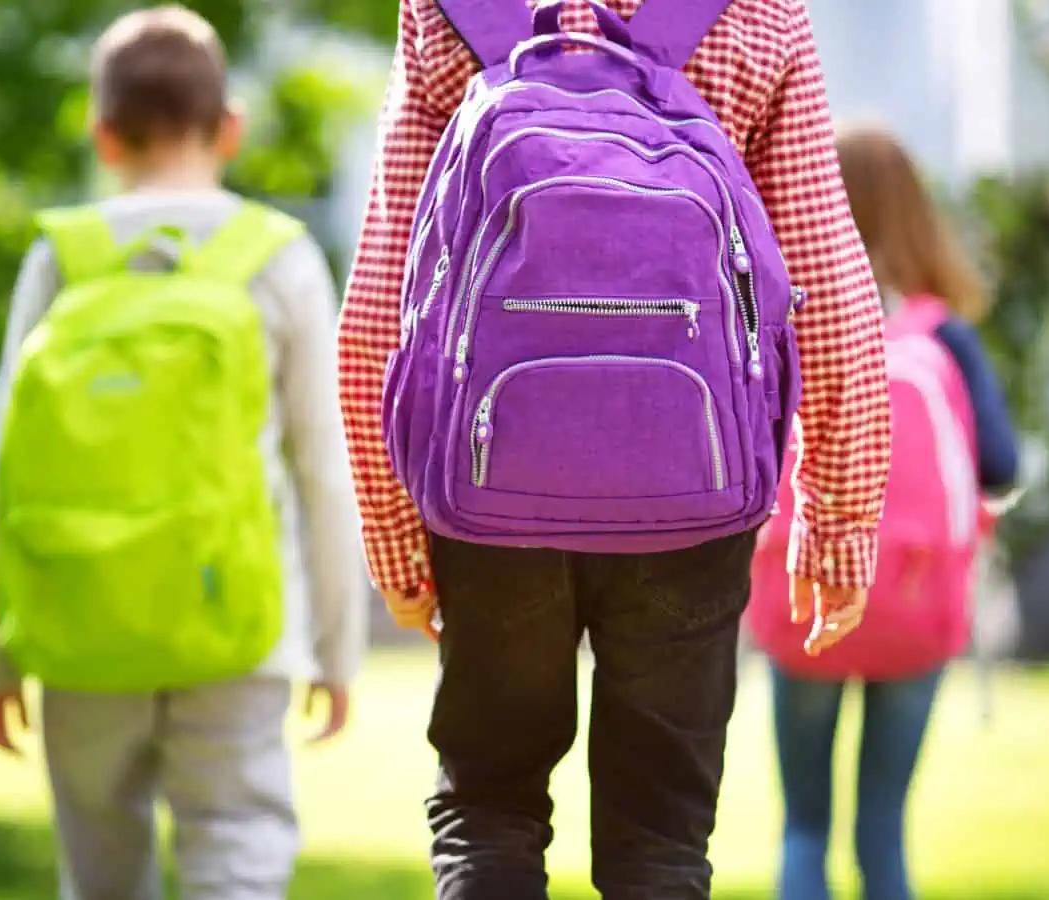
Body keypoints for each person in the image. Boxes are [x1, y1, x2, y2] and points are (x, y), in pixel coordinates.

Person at [337, 1, 892, 897]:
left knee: (489, 810)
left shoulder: (449, 12)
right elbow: (824, 280)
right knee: (663, 841)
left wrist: (397, 534)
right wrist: (841, 520)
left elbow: (381, 297)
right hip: (694, 484)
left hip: (490, 486)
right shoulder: (760, 13)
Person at [0, 7, 366, 899]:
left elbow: (12, 469)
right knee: (238, 856)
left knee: (101, 875)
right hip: (240, 631)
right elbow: (321, 471)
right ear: (230, 129)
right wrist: (336, 649)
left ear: (103, 136)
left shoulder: (62, 257)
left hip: (81, 622)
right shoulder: (280, 257)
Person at [747, 124, 1022, 900]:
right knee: (883, 829)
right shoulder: (947, 335)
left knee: (803, 829)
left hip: (803, 599)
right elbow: (1001, 464)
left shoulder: (791, 323)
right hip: (915, 600)